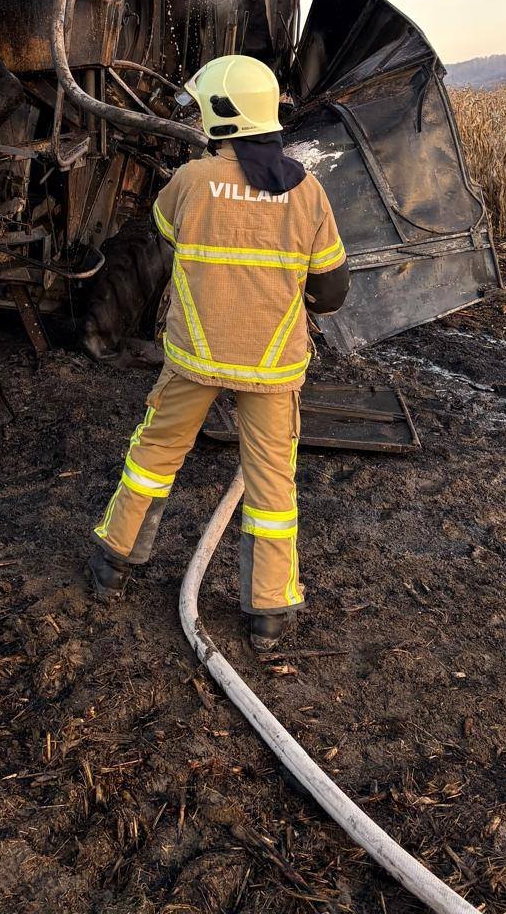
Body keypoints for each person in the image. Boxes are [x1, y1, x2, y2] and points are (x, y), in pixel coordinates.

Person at [88, 55, 350, 652]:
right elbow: (331, 293)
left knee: (154, 454)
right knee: (271, 484)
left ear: (222, 112)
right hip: (273, 367)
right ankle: (268, 612)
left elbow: (168, 236)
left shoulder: (189, 181)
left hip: (194, 360)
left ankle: (113, 563)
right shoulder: (307, 194)